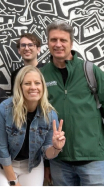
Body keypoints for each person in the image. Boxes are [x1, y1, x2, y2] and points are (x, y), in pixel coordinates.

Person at [41, 20, 104, 186]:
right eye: (53, 40)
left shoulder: (89, 70)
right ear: (48, 42)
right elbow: (40, 121)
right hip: (59, 161)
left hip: (93, 159)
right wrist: (46, 162)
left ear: (71, 43)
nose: (58, 44)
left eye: (63, 40)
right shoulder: (41, 75)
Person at [0, 66, 65, 186]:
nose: (33, 87)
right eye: (27, 83)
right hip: (5, 164)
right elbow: (1, 149)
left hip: (32, 165)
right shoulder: (5, 109)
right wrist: (14, 182)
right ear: (20, 87)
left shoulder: (50, 114)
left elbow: (47, 153)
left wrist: (56, 148)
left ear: (43, 86)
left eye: (37, 83)